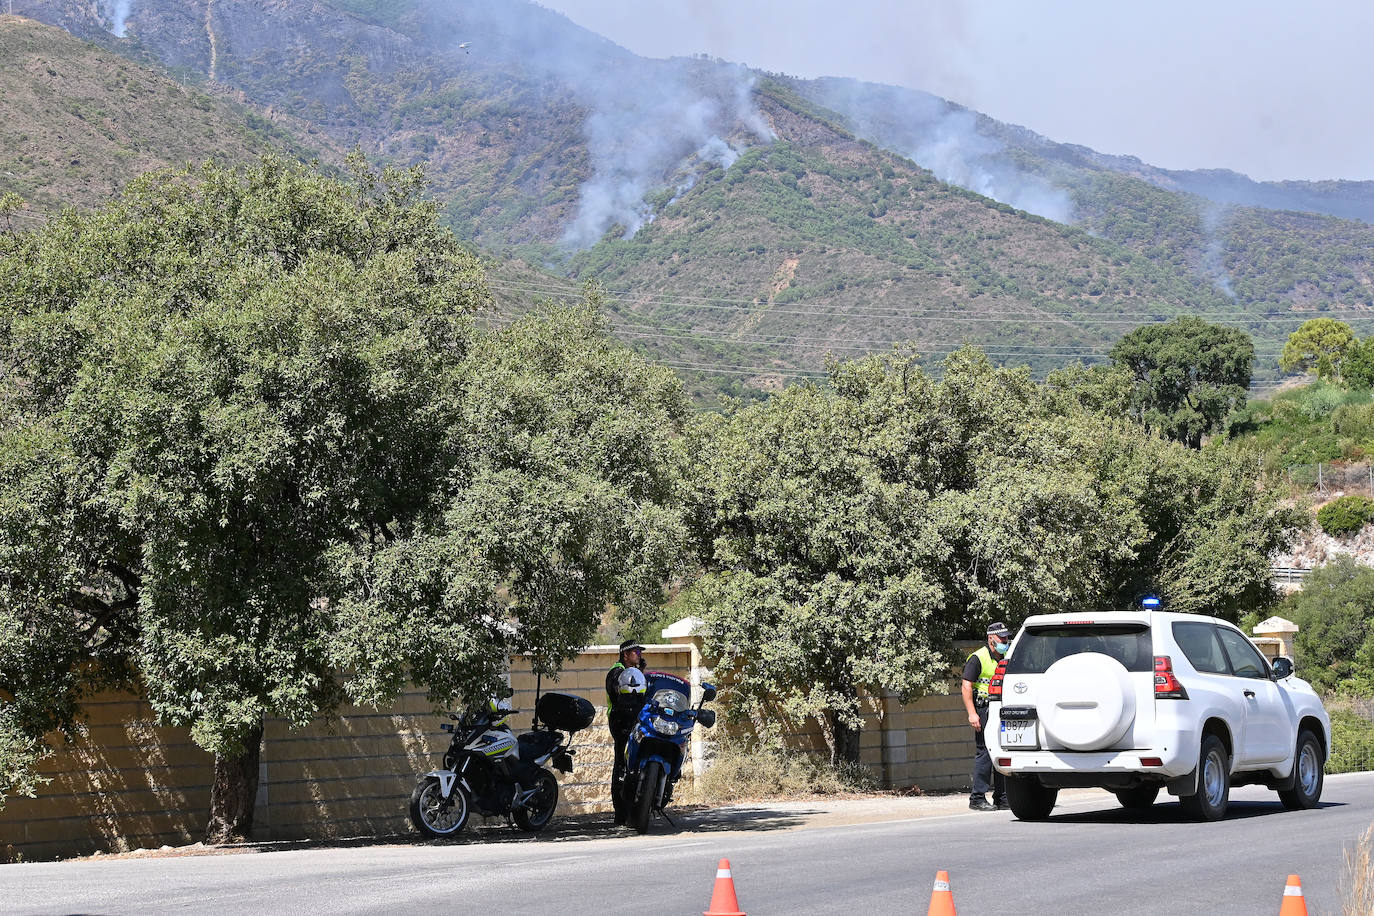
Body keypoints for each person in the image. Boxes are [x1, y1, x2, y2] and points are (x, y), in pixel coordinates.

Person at [962, 621, 1011, 811]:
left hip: (1002, 710)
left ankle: (1002, 797)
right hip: (983, 710)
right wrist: (972, 714)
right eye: (1002, 638)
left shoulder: (1007, 655)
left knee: (1002, 752)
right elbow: (966, 686)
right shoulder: (978, 658)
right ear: (991, 639)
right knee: (985, 753)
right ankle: (977, 798)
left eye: (1006, 637)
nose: (1005, 640)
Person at [605, 639, 648, 825]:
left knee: (636, 763)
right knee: (622, 765)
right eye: (635, 652)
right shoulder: (616, 672)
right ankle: (621, 814)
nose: (639, 654)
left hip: (634, 720)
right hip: (620, 721)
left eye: (639, 652)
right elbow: (621, 697)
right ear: (625, 654)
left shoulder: (634, 672)